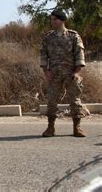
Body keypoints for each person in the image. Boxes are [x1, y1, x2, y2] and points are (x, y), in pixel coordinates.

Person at [40, 9, 86, 138]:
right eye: (52, 19)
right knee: (51, 101)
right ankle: (50, 128)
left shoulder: (73, 36)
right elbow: (43, 54)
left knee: (75, 101)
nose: (52, 21)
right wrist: (46, 71)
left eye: (55, 19)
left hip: (70, 74)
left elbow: (79, 54)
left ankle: (77, 128)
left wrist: (77, 72)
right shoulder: (48, 37)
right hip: (54, 74)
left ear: (62, 20)